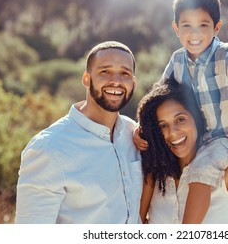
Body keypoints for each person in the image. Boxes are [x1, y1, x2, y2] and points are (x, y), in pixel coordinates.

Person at [134, 0, 228, 223]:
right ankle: (138, 221)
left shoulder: (225, 54)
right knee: (152, 156)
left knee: (201, 169)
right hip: (201, 140)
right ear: (176, 29)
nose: (194, 33)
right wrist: (140, 127)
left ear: (216, 27)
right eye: (187, 26)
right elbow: (158, 95)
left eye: (203, 25)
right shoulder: (177, 60)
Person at [137, 57, 228, 223]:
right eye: (163, 125)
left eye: (180, 119)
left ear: (196, 119)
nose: (173, 132)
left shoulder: (222, 174)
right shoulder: (156, 178)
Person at [15, 41, 143, 224]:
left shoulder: (134, 134)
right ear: (86, 79)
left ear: (133, 83)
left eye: (125, 73)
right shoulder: (49, 148)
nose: (116, 81)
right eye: (105, 71)